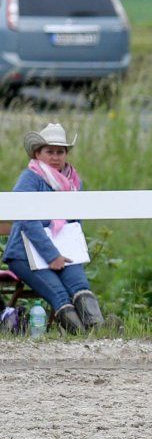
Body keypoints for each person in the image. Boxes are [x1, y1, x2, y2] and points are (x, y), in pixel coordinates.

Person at [3, 123, 107, 333]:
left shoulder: (73, 182)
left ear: (66, 154)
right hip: (25, 254)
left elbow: (74, 222)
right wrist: (51, 255)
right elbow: (26, 219)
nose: (55, 157)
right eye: (49, 152)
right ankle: (79, 335)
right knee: (59, 294)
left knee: (80, 287)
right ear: (37, 153)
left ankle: (97, 332)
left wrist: (73, 251)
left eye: (60, 152)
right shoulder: (30, 178)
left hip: (62, 250)